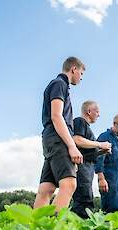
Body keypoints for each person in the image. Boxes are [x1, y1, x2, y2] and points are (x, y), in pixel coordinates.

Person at [33, 56, 85, 213]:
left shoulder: (55, 84)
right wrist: (72, 146)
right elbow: (57, 116)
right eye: (81, 73)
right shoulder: (59, 84)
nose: (81, 77)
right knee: (69, 184)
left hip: (49, 139)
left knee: (46, 189)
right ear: (73, 69)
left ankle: (35, 229)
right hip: (58, 138)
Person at [70, 101, 111, 218]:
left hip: (88, 168)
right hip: (81, 168)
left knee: (86, 198)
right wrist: (99, 144)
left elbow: (87, 153)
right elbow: (77, 140)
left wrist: (102, 151)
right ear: (89, 111)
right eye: (97, 111)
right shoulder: (80, 121)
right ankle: (79, 229)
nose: (99, 115)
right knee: (83, 201)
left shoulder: (87, 128)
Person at [95, 114, 118, 213]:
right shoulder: (105, 137)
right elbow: (98, 160)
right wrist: (101, 178)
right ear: (114, 124)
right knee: (111, 207)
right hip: (110, 179)